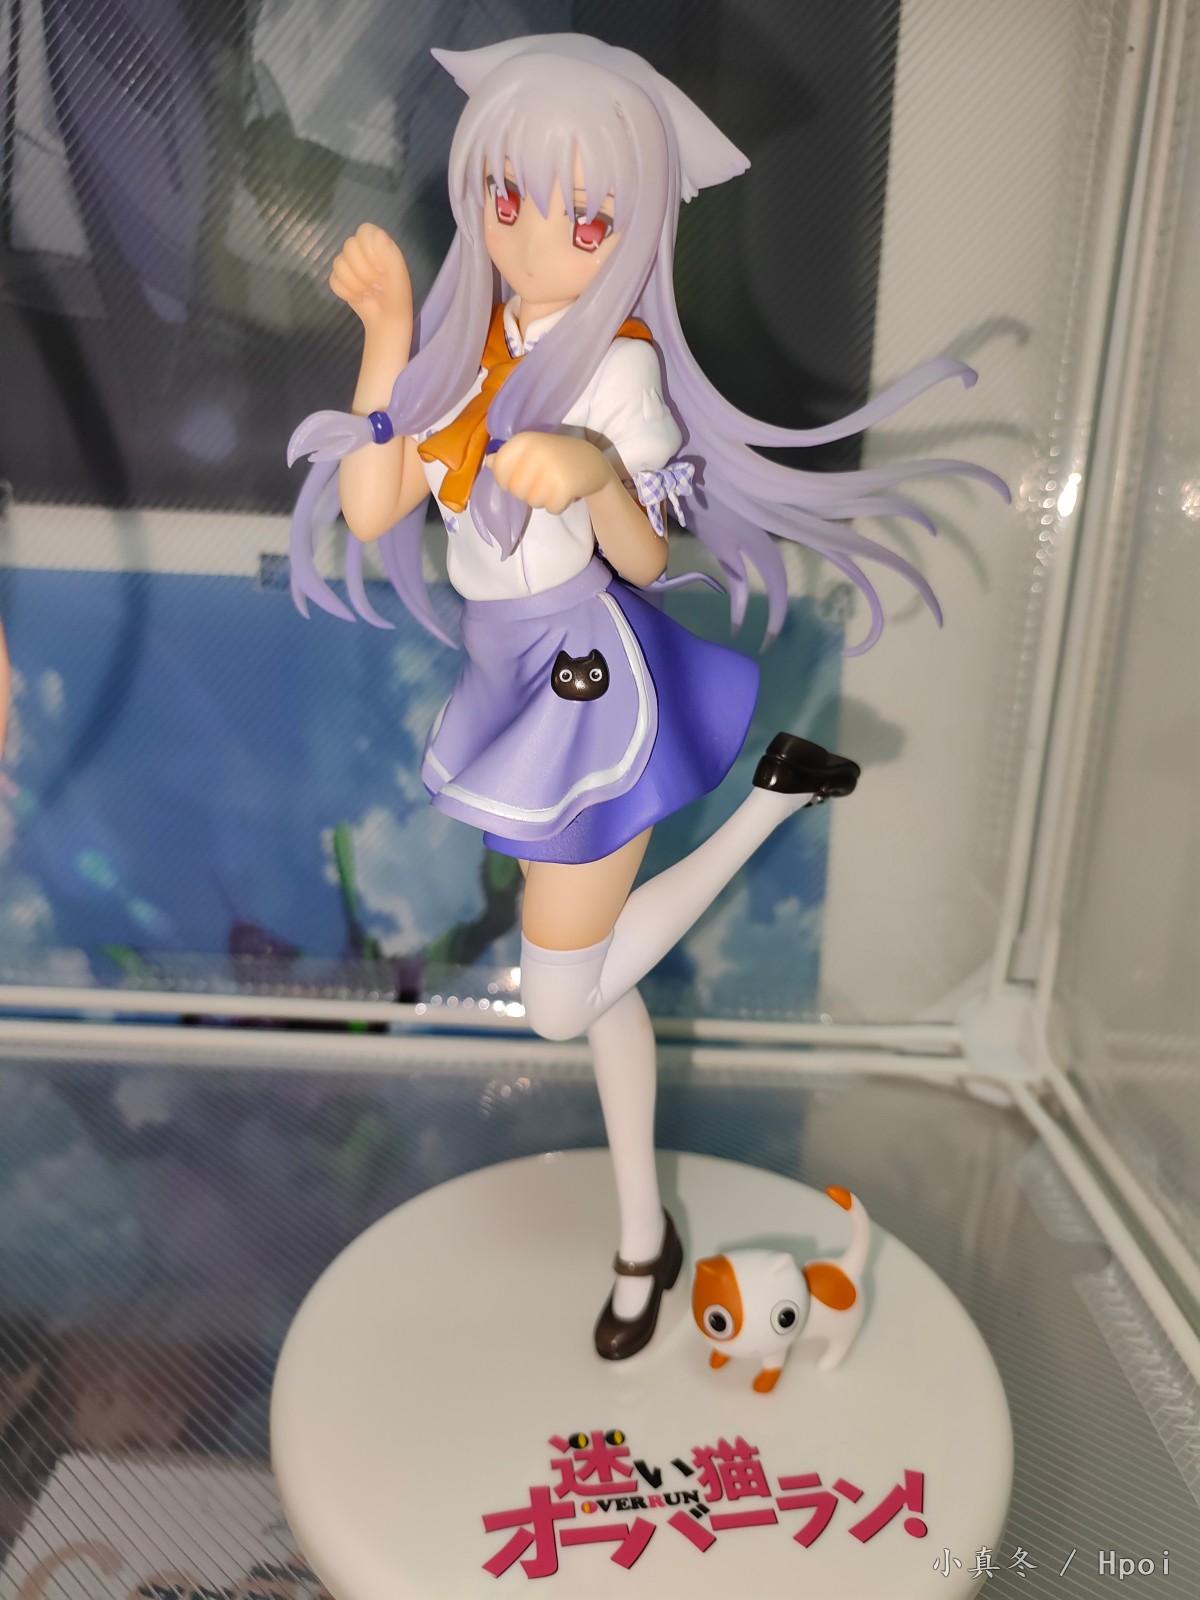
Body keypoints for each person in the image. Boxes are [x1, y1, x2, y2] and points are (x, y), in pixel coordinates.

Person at [288, 34, 1007, 1359]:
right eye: (510, 197)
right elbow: (376, 500)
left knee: (556, 1002)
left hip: (583, 685)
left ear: (631, 232)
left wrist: (595, 472)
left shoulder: (617, 371)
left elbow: (645, 557)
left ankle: (770, 804)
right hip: (502, 677)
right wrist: (386, 341)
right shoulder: (464, 347)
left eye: (584, 217)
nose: (535, 236)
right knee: (600, 991)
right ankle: (641, 1236)